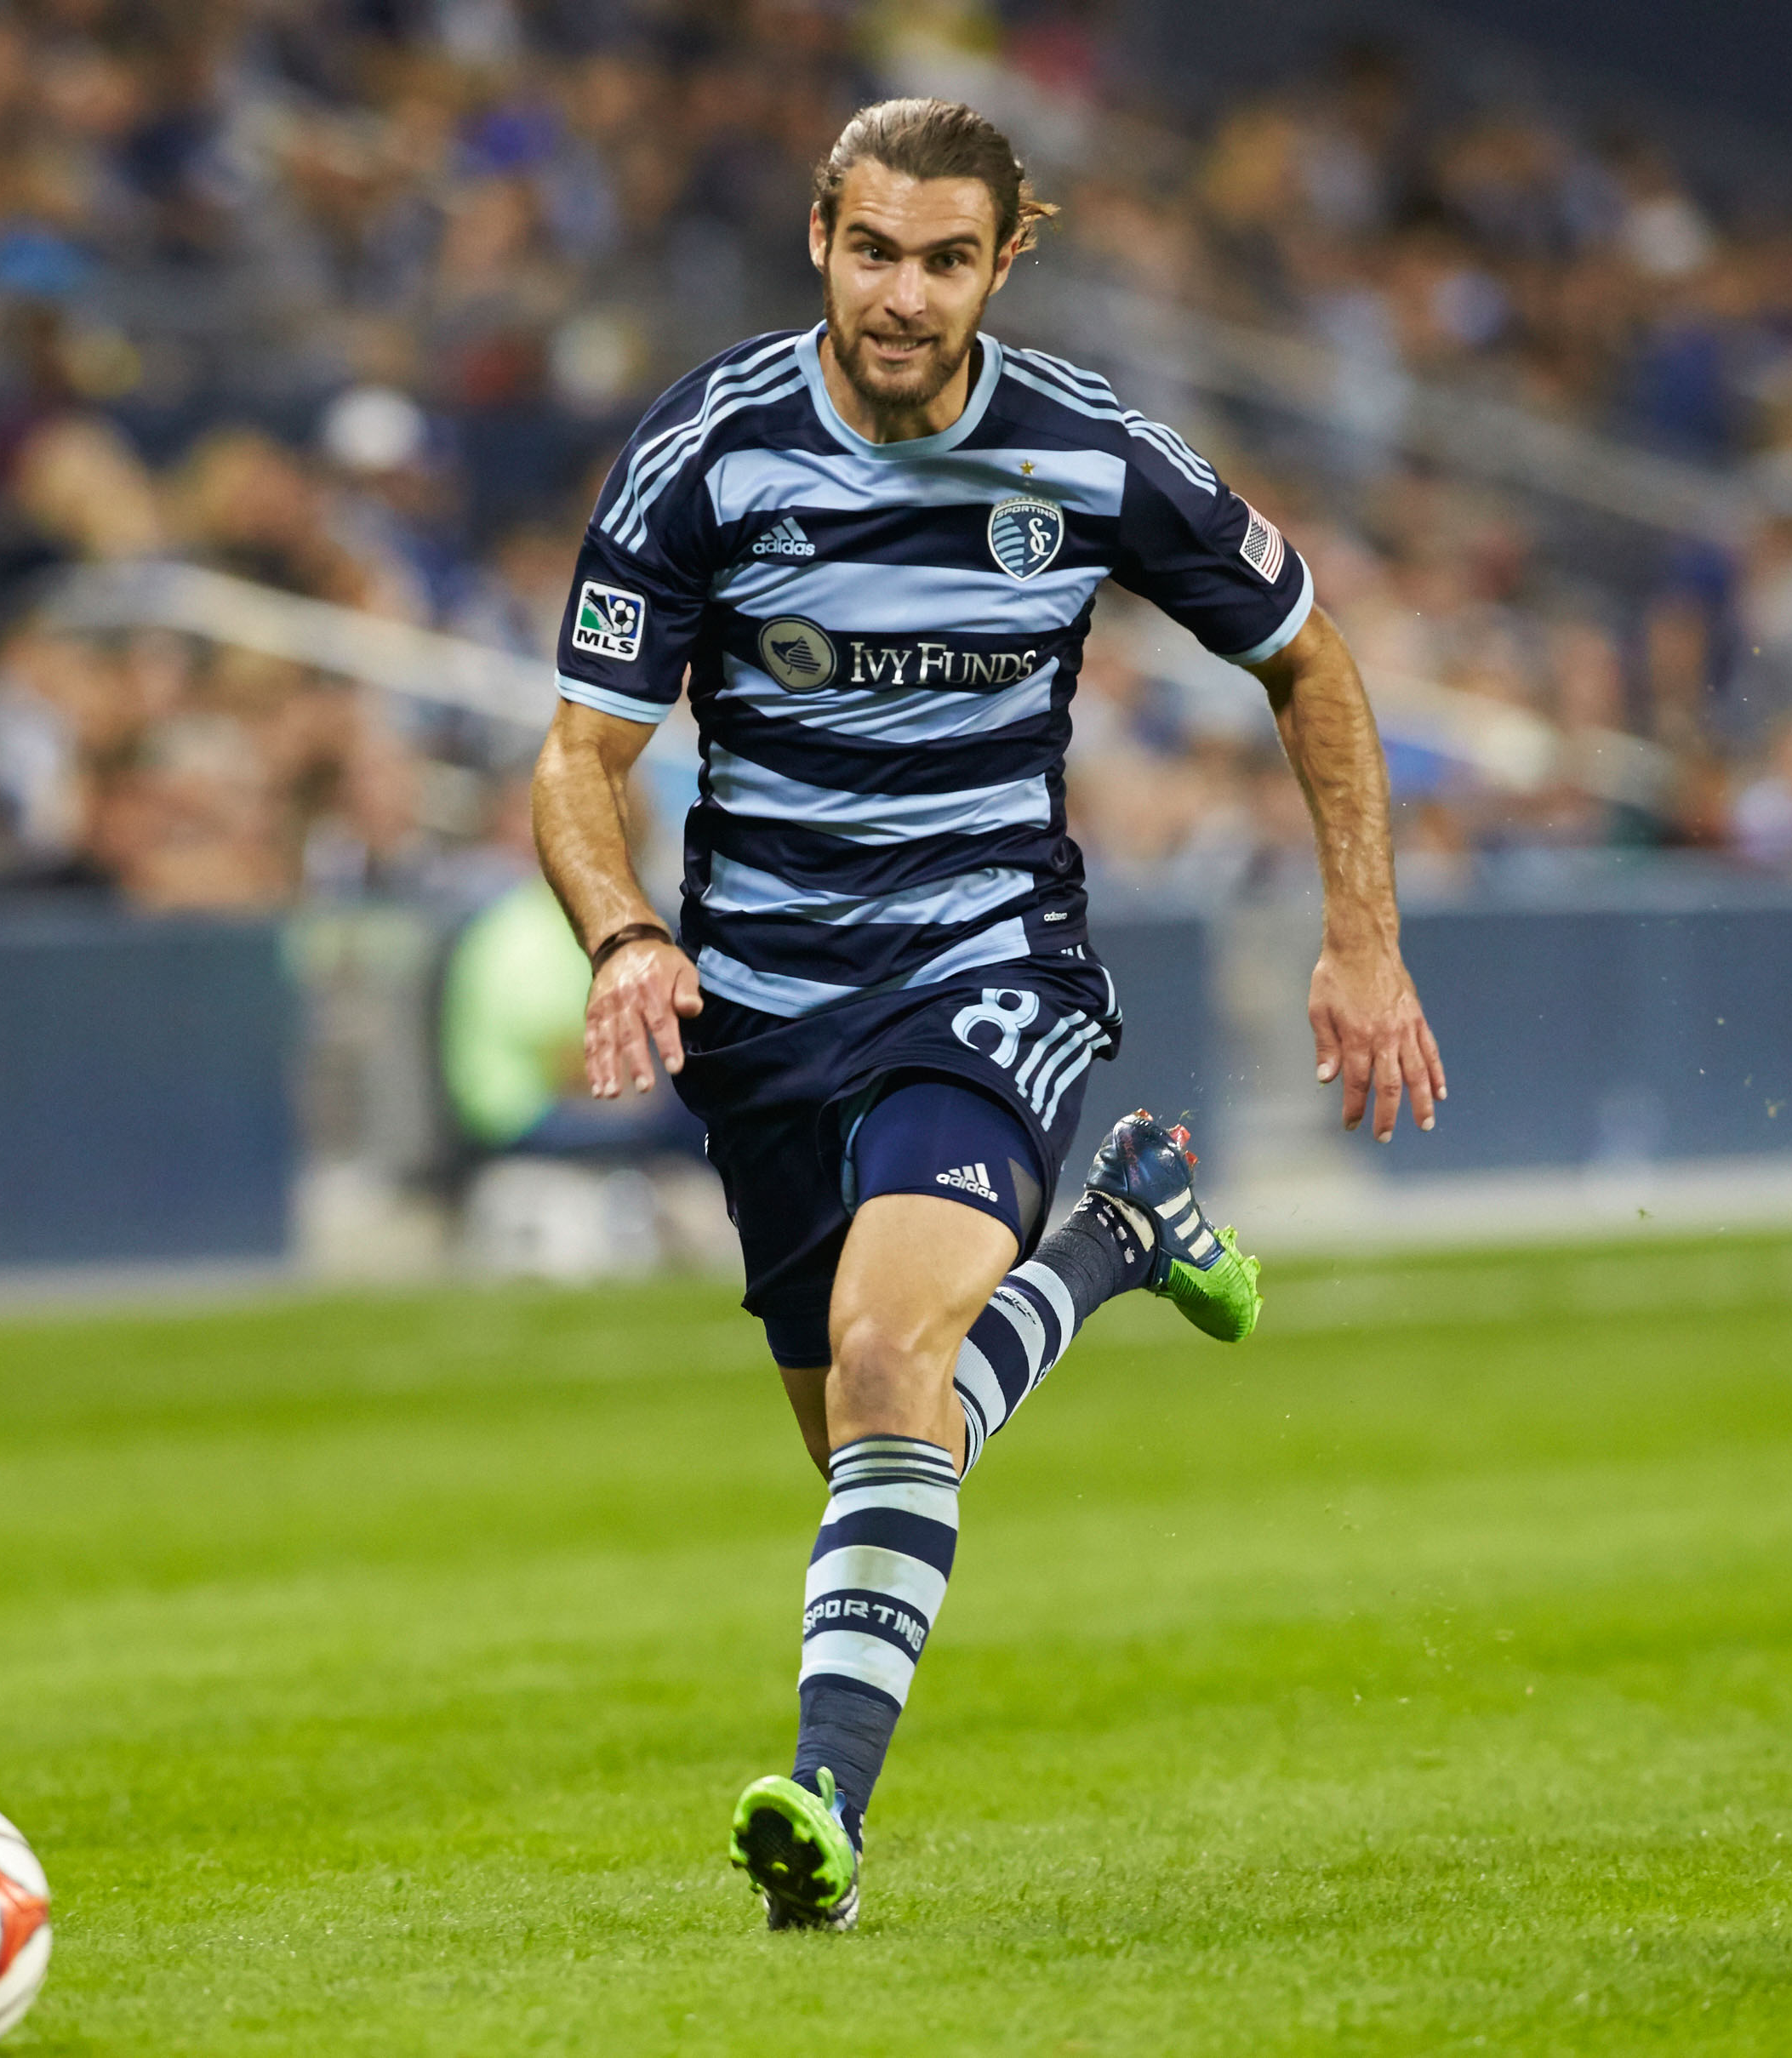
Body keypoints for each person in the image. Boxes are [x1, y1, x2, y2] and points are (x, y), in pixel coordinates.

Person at [528, 98, 1444, 1932]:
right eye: (875, 251)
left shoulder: (1088, 454)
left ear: (1003, 262)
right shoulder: (703, 456)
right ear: (820, 237)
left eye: (947, 260)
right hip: (764, 1016)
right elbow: (577, 753)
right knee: (883, 1439)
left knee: (889, 1358)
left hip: (983, 968)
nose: (903, 293)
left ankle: (821, 1821)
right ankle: (1115, 1237)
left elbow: (1308, 653)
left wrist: (1364, 934)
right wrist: (627, 933)